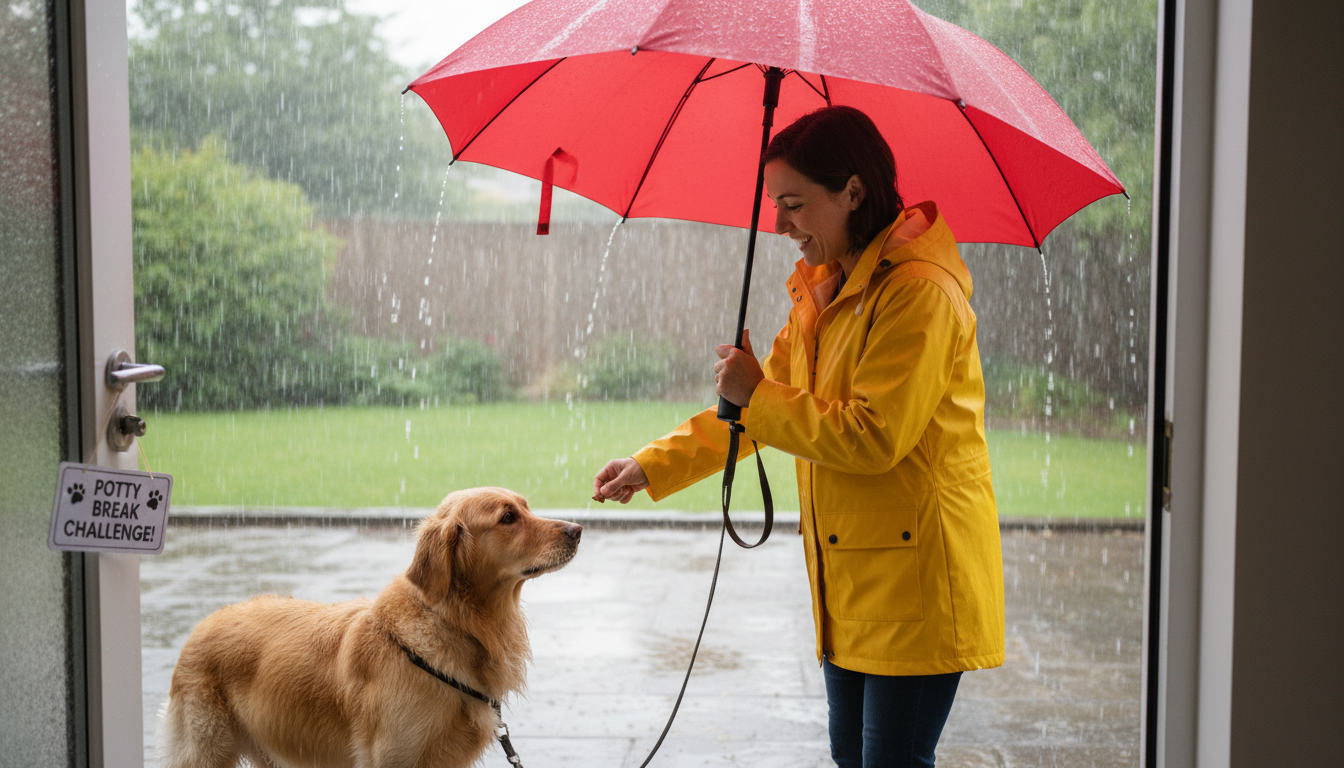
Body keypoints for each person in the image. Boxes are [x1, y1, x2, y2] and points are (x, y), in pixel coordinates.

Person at [592, 105, 1004, 768]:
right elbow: (762, 409)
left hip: (918, 585)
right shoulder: (826, 290)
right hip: (853, 585)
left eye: (792, 205)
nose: (779, 226)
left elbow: (873, 436)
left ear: (853, 192)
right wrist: (650, 466)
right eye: (774, 206)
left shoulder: (918, 294)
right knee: (853, 759)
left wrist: (758, 393)